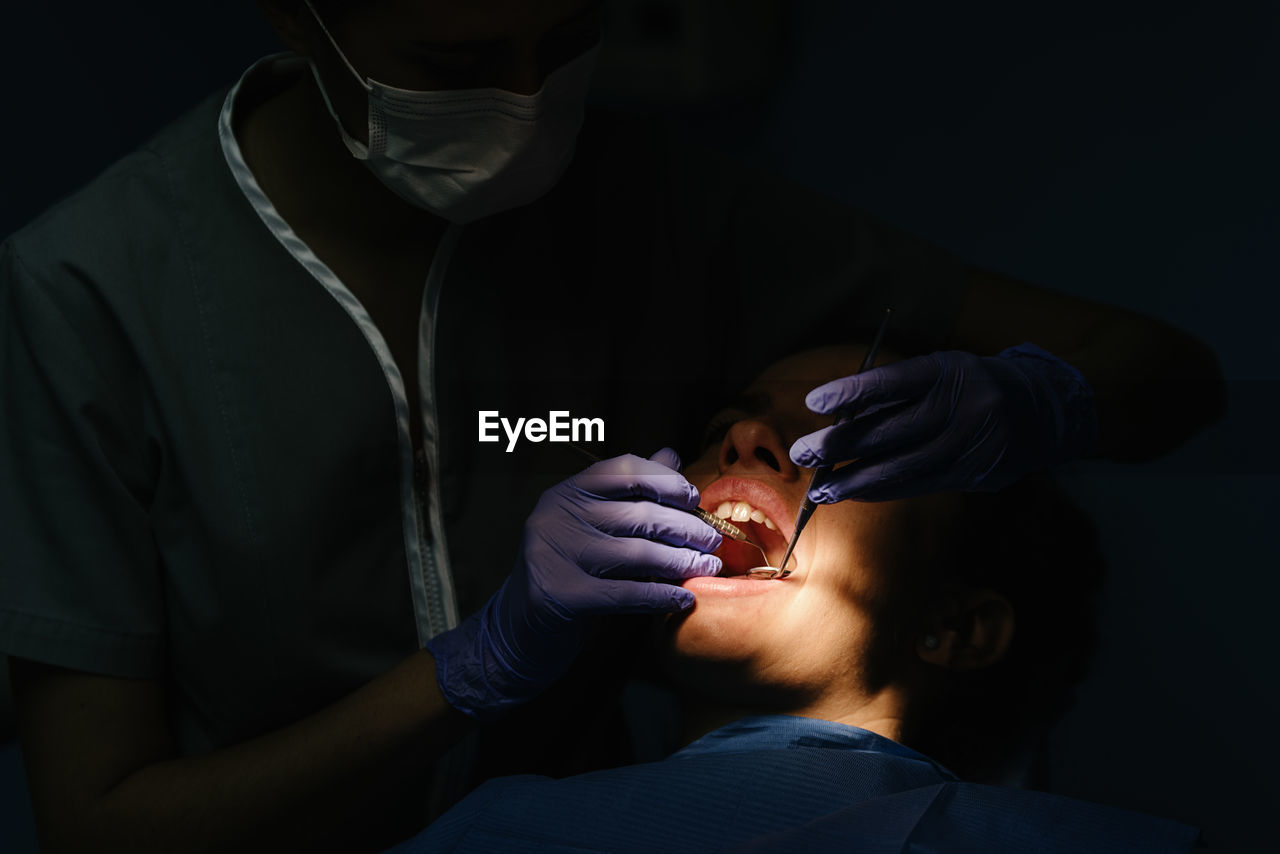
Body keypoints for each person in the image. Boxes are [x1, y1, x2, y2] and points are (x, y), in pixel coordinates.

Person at [0, 0, 1223, 850]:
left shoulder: (666, 212)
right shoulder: (90, 297)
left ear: (960, 625)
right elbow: (105, 826)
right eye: (460, 54)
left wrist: (1040, 396)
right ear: (295, 11)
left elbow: (1160, 372)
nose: (530, 97)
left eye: (569, 36)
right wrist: (473, 665)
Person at [399, 345, 1201, 853]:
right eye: (729, 425)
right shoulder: (492, 830)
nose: (745, 441)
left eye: (855, 434)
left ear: (955, 627)